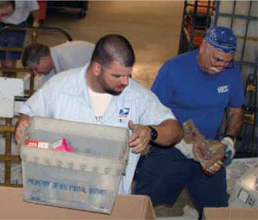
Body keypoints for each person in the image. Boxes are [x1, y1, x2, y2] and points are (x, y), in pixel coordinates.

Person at [15, 34, 182, 195]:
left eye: (127, 74)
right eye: (117, 75)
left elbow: (174, 131)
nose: (125, 82)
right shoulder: (60, 87)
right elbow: (28, 114)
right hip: (62, 193)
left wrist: (151, 132)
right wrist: (23, 123)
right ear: (96, 68)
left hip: (112, 199)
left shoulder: (137, 97)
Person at [135, 27, 245, 217]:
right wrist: (181, 142)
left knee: (218, 211)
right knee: (140, 205)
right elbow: (150, 113)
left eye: (227, 62)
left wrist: (229, 140)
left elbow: (235, 110)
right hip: (170, 150)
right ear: (203, 47)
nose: (221, 67)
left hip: (208, 150)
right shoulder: (173, 69)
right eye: (217, 59)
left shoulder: (231, 73)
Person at [22, 40, 95, 87]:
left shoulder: (67, 62)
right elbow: (47, 85)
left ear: (44, 60)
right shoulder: (53, 55)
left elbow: (79, 91)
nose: (36, 73)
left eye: (35, 69)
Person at [0, 0, 40, 70]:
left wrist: (35, 26)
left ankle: (11, 79)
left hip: (16, 29)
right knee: (2, 63)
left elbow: (35, 11)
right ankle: (5, 80)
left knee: (10, 64)